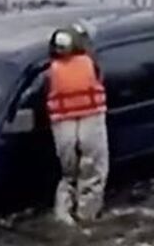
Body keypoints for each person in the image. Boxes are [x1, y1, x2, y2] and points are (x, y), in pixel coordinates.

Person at [45, 24, 109, 226]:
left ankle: (63, 219)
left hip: (63, 127)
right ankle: (87, 220)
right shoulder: (90, 63)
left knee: (68, 177)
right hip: (91, 122)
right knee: (92, 175)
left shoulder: (52, 71)